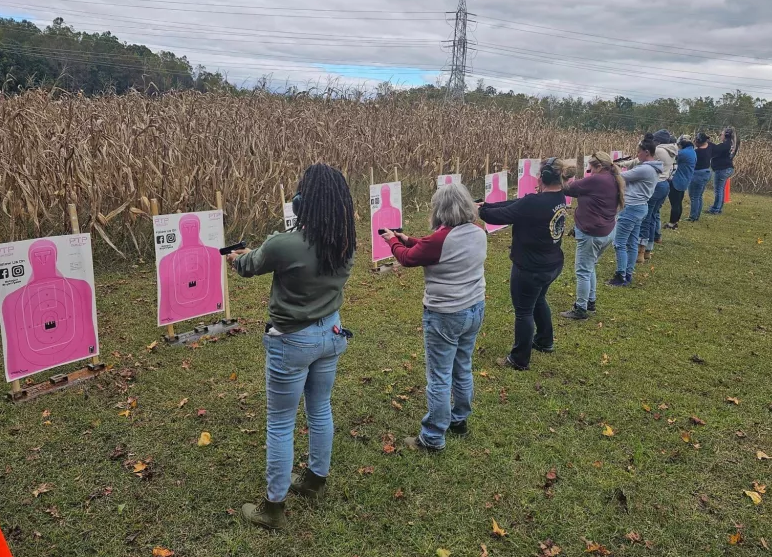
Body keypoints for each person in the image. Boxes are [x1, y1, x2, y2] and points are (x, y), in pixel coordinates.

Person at [229, 163, 356, 530]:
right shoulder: (345, 241)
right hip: (331, 332)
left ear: (303, 203)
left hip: (292, 341)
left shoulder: (283, 243)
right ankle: (315, 481)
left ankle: (273, 508)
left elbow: (250, 265)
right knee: (320, 409)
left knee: (282, 423)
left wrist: (239, 259)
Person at [380, 183, 487, 452]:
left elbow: (407, 259)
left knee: (439, 377)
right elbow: (430, 248)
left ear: (441, 209)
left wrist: (392, 241)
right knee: (462, 367)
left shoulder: (441, 240)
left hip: (446, 315)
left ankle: (433, 437)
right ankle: (459, 419)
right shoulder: (477, 231)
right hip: (474, 308)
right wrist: (408, 239)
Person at [478, 158, 572, 371]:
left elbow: (502, 215)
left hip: (531, 268)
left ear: (543, 178)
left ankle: (519, 358)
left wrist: (480, 212)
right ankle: (545, 341)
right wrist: (486, 204)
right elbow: (516, 203)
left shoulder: (535, 202)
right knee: (539, 300)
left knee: (523, 311)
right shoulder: (559, 197)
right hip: (552, 263)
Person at [560, 152, 624, 320]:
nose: (589, 170)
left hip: (592, 234)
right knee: (590, 267)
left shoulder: (597, 179)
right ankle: (591, 301)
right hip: (607, 231)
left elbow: (569, 189)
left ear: (599, 167)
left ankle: (580, 309)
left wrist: (562, 176)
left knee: (582, 271)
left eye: (591, 167)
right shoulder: (611, 177)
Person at [608, 135, 662, 287]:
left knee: (619, 243)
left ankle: (620, 275)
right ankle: (628, 274)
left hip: (631, 208)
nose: (637, 154)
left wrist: (612, 168)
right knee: (632, 243)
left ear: (646, 152)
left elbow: (620, 177)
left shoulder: (645, 169)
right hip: (640, 207)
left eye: (638, 152)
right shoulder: (652, 167)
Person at [630, 129, 676, 264]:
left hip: (657, 185)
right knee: (653, 217)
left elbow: (642, 157)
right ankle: (649, 249)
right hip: (664, 185)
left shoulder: (659, 151)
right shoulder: (670, 150)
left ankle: (641, 252)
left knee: (646, 219)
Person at [664, 135, 697, 230]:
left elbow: (671, 156)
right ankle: (676, 221)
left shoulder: (683, 153)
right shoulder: (692, 152)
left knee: (674, 203)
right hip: (684, 180)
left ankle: (671, 224)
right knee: (678, 202)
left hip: (678, 181)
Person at [708, 126, 740, 214]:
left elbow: (715, 150)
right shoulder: (731, 145)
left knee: (718, 190)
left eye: (721, 134)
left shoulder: (725, 145)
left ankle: (716, 209)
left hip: (722, 169)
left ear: (725, 135)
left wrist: (708, 143)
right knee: (720, 189)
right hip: (727, 169)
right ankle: (718, 208)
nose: (720, 136)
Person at [687, 132, 712, 221]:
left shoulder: (697, 152)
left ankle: (693, 216)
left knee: (694, 196)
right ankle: (697, 215)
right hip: (706, 172)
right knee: (699, 195)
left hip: (697, 174)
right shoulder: (709, 148)